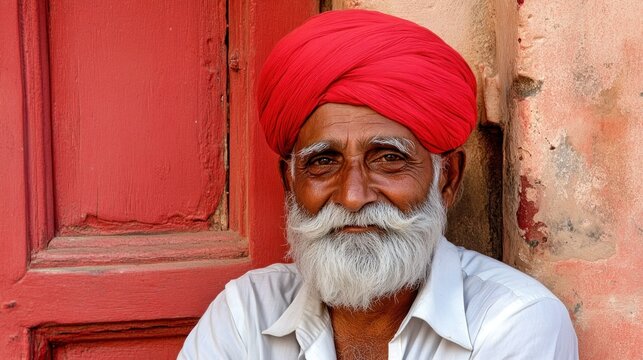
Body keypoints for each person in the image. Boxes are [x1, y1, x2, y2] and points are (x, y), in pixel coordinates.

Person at [178, 9, 578, 360]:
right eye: (323, 161)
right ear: (290, 183)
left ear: (448, 179)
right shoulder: (246, 313)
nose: (353, 197)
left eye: (389, 159)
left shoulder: (513, 321)